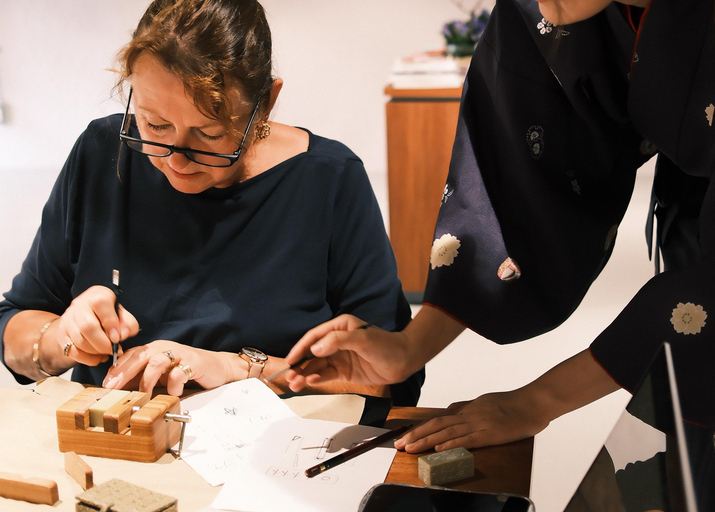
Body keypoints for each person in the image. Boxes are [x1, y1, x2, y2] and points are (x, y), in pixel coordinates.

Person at [285, 0, 715, 509]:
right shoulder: (552, 8)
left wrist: (536, 401)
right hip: (699, 242)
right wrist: (408, 350)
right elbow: (512, 172)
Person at [0, 0, 423, 406]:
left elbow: (391, 382)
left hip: (273, 462)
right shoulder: (102, 153)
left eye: (210, 134)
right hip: (121, 454)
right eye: (155, 124)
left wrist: (235, 369)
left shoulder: (329, 179)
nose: (175, 157)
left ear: (266, 105)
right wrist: (62, 337)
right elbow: (14, 325)